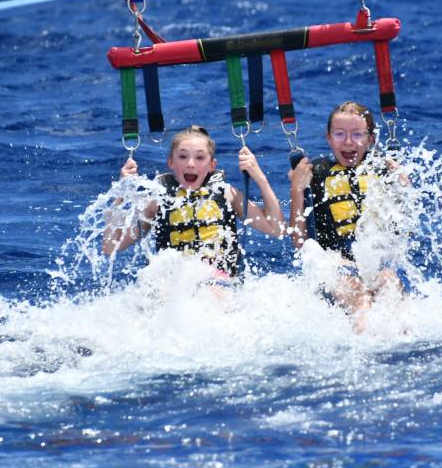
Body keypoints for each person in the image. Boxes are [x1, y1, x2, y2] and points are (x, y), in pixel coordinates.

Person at [103, 125, 285, 278]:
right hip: (174, 284)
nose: (191, 164)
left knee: (215, 291)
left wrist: (259, 176)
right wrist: (121, 191)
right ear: (171, 163)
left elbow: (276, 229)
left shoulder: (228, 195)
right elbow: (111, 246)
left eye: (199, 157)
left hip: (219, 281)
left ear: (212, 165)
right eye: (183, 156)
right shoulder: (157, 202)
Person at [288, 101, 406, 317]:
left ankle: (407, 341)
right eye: (340, 134)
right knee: (359, 295)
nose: (349, 141)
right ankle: (365, 337)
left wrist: (403, 186)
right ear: (329, 138)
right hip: (334, 265)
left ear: (370, 139)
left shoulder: (381, 171)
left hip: (372, 264)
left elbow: (404, 230)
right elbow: (299, 242)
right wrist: (297, 190)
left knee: (390, 282)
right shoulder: (316, 174)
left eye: (358, 134)